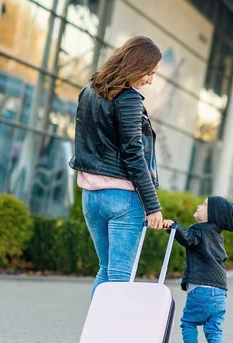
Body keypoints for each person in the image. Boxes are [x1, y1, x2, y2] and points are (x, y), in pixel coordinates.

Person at [69, 36, 164, 297]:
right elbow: (134, 155)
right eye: (149, 72)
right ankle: (110, 337)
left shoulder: (89, 90)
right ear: (137, 64)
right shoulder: (129, 99)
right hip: (123, 199)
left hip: (91, 197)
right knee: (121, 279)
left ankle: (95, 334)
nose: (150, 80)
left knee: (106, 269)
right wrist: (153, 206)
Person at [162, 196, 233, 343]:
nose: (199, 205)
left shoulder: (199, 231)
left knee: (188, 322)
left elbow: (188, 239)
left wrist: (173, 226)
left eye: (204, 204)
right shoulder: (218, 238)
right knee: (214, 327)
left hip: (200, 289)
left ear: (213, 215)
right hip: (220, 291)